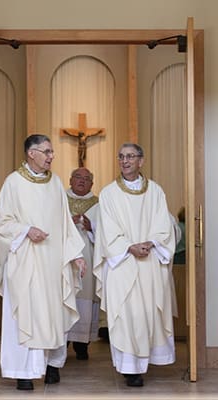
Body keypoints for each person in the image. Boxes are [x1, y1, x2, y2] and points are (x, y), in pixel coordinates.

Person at [0, 134, 87, 391]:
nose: (51, 156)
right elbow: (1, 223)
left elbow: (66, 222)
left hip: (53, 262)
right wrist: (26, 230)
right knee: (26, 314)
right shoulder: (13, 182)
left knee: (53, 313)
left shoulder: (55, 183)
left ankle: (51, 365)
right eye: (46, 151)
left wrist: (76, 254)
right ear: (31, 153)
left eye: (52, 151)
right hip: (25, 262)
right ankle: (23, 371)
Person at [93, 143, 176, 387]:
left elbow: (164, 225)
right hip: (123, 264)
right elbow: (107, 229)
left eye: (130, 156)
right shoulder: (109, 193)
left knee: (148, 312)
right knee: (127, 314)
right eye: (121, 157)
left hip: (150, 261)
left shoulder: (156, 192)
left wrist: (150, 243)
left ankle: (147, 361)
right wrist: (129, 246)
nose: (125, 161)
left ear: (141, 161)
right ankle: (131, 369)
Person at [66, 167, 100, 360]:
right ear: (70, 180)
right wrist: (67, 224)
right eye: (78, 177)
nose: (81, 181)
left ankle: (82, 343)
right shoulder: (60, 199)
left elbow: (107, 231)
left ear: (91, 184)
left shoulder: (99, 204)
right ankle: (65, 340)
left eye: (86, 178)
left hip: (89, 254)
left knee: (86, 297)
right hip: (66, 257)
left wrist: (92, 227)